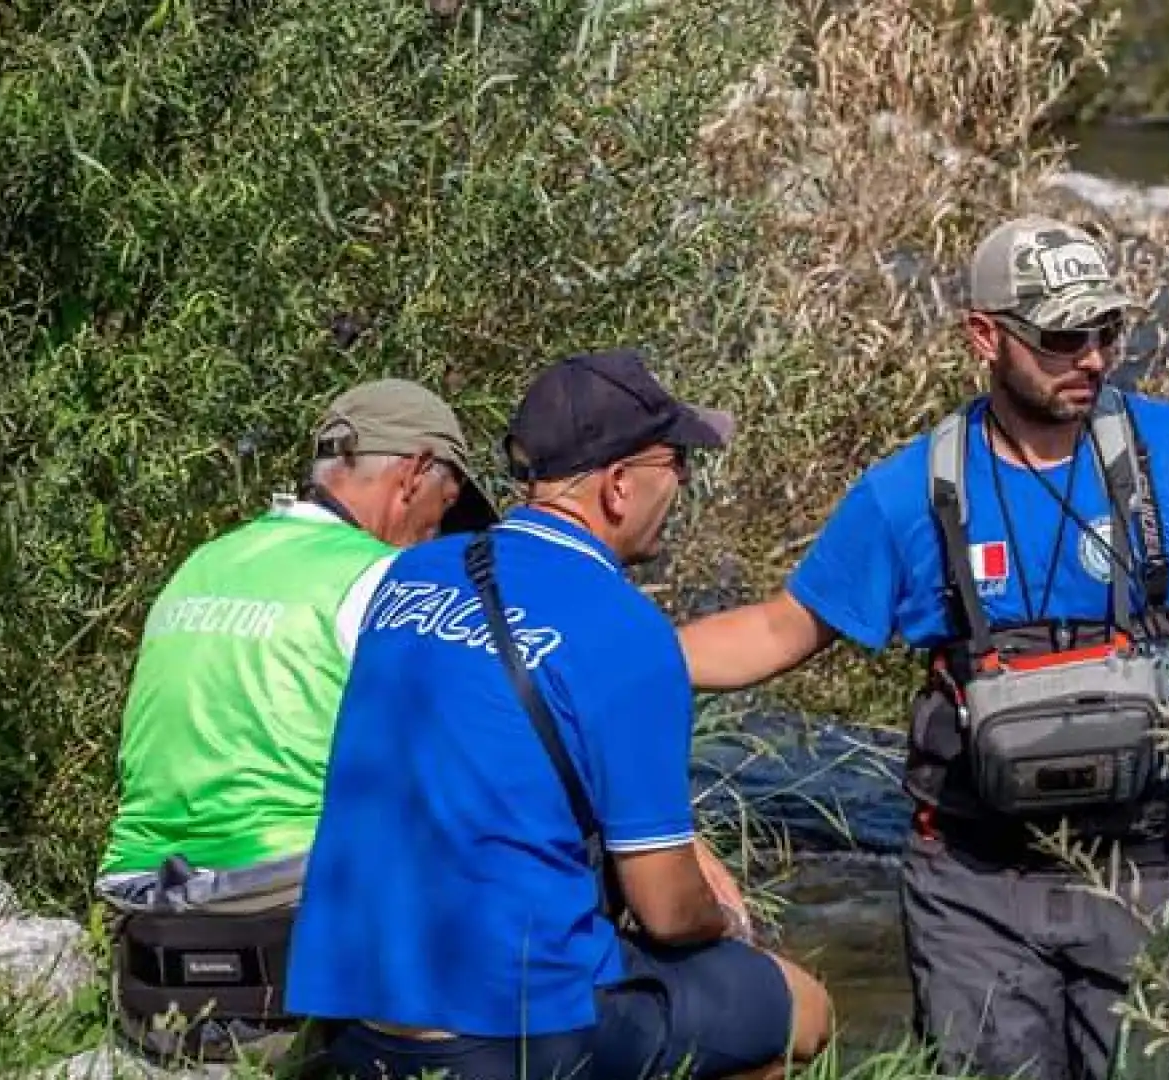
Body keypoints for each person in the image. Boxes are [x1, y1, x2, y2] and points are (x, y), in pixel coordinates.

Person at [675, 216, 1169, 1080]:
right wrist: (610, 656)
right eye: (1063, 337)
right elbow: (777, 631)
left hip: (1147, 875)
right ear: (985, 337)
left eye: (1106, 332)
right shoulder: (911, 490)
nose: (1094, 358)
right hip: (972, 888)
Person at [285, 348, 834, 1080]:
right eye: (677, 464)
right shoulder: (626, 629)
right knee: (802, 1009)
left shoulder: (408, 575)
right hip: (506, 1030)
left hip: (353, 1015)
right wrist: (727, 925)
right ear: (616, 486)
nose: (683, 485)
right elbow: (668, 909)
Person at [95, 377, 495, 1061]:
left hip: (140, 923)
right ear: (415, 473)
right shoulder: (386, 581)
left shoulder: (204, 562)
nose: (437, 534)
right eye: (445, 508)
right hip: (280, 929)